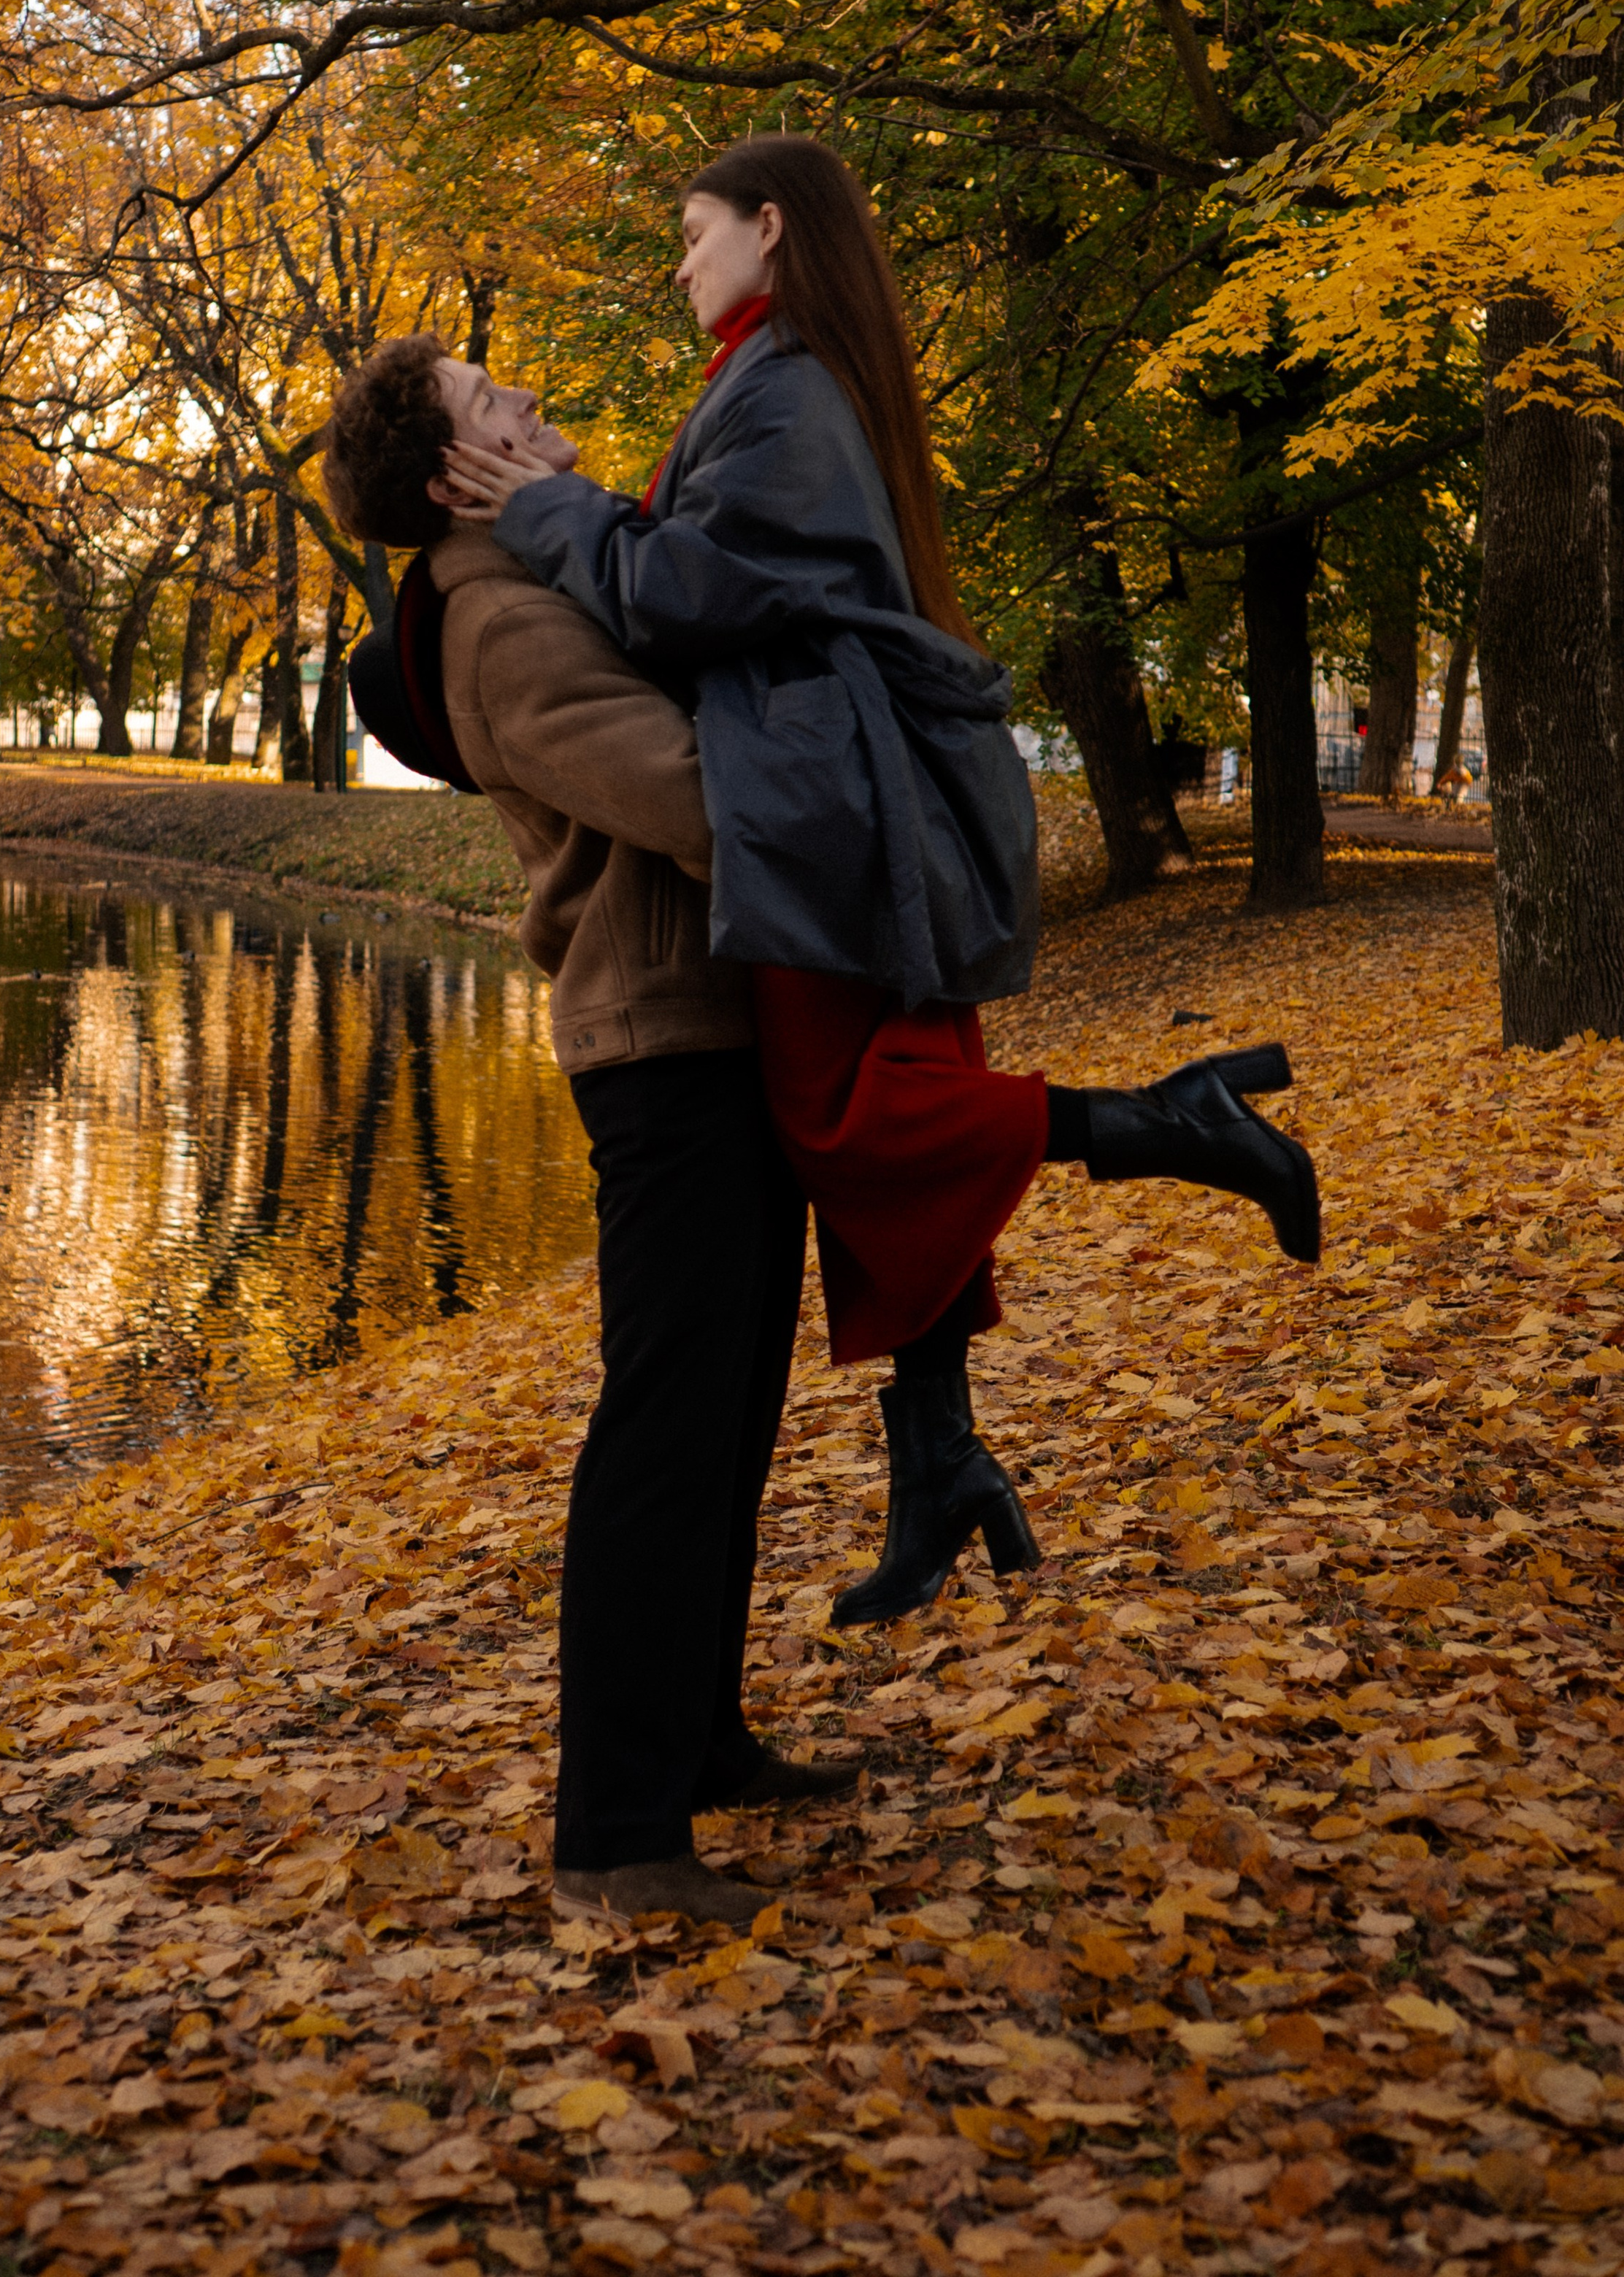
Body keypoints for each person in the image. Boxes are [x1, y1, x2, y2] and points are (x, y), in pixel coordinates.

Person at [439, 136, 1320, 1629]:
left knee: (843, 1120)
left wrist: (538, 513)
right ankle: (938, 1456)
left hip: (820, 809)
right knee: (891, 1107)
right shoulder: (774, 376)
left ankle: (1174, 1121)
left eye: (691, 230)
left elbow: (676, 597)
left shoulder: (782, 388)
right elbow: (699, 577)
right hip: (839, 797)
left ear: (767, 227)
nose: (676, 262)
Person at [323, 339, 861, 1934]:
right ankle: (616, 1833)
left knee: (727, 1417)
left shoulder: (549, 583)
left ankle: (696, 1744)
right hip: (658, 1050)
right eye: (501, 413)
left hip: (717, 1027)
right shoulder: (498, 621)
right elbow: (694, 799)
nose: (539, 416)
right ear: (452, 480)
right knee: (662, 1437)